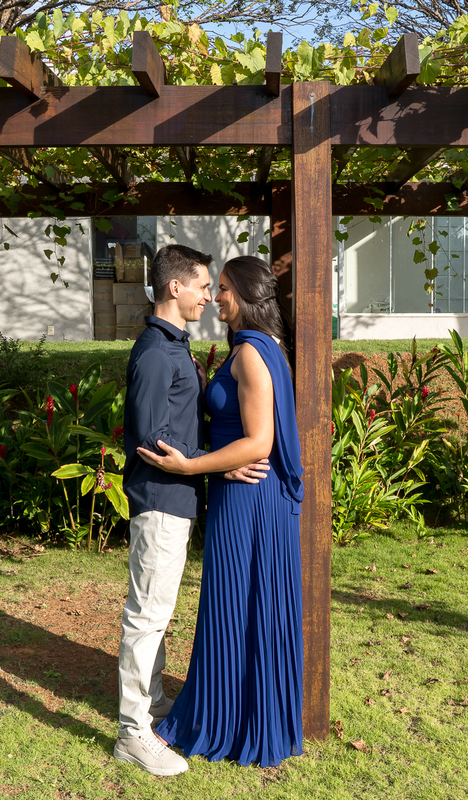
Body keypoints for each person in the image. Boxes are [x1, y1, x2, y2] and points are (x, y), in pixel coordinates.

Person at [138, 255, 305, 769]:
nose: (217, 298)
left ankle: (223, 721)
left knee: (235, 603)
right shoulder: (267, 347)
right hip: (253, 491)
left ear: (249, 296)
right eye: (214, 288)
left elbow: (258, 441)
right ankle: (249, 715)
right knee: (252, 605)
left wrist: (193, 467)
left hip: (250, 498)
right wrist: (216, 465)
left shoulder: (252, 354)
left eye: (225, 289)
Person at [114, 244, 269, 777]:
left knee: (157, 614)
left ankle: (152, 706)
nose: (209, 295)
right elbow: (151, 440)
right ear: (174, 287)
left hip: (178, 499)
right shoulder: (157, 354)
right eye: (204, 285)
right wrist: (212, 464)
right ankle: (133, 733)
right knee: (147, 616)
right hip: (160, 500)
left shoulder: (175, 347)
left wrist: (210, 464)